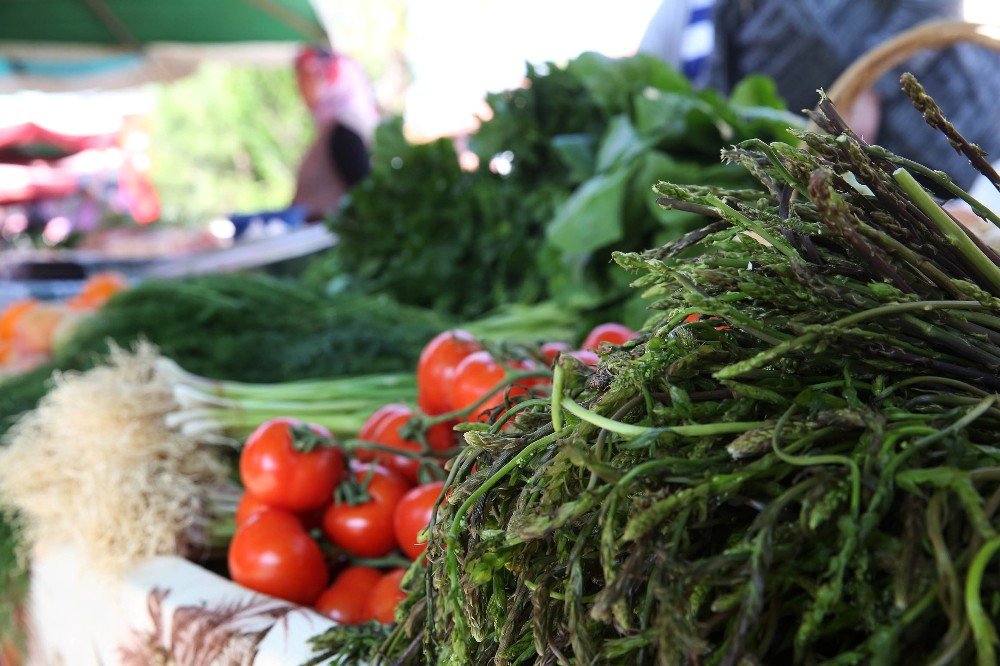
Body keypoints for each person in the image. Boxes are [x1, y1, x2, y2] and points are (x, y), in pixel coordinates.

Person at [639, 0, 1000, 192]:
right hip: (891, 179)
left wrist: (874, 86)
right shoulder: (713, 17)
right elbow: (723, 104)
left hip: (973, 119)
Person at [292, 46, 380, 222]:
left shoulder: (344, 130)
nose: (298, 86)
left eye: (305, 76)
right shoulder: (332, 127)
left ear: (328, 76)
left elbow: (364, 193)